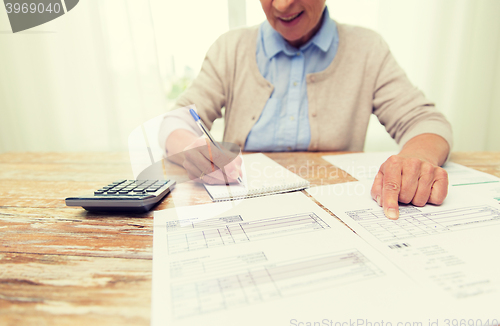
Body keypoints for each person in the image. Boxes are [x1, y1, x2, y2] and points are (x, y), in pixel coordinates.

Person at [158, 0, 452, 220]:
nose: (282, 5)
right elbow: (177, 119)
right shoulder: (230, 48)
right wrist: (192, 148)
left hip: (337, 211)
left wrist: (416, 158)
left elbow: (425, 121)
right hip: (241, 210)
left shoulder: (368, 49)